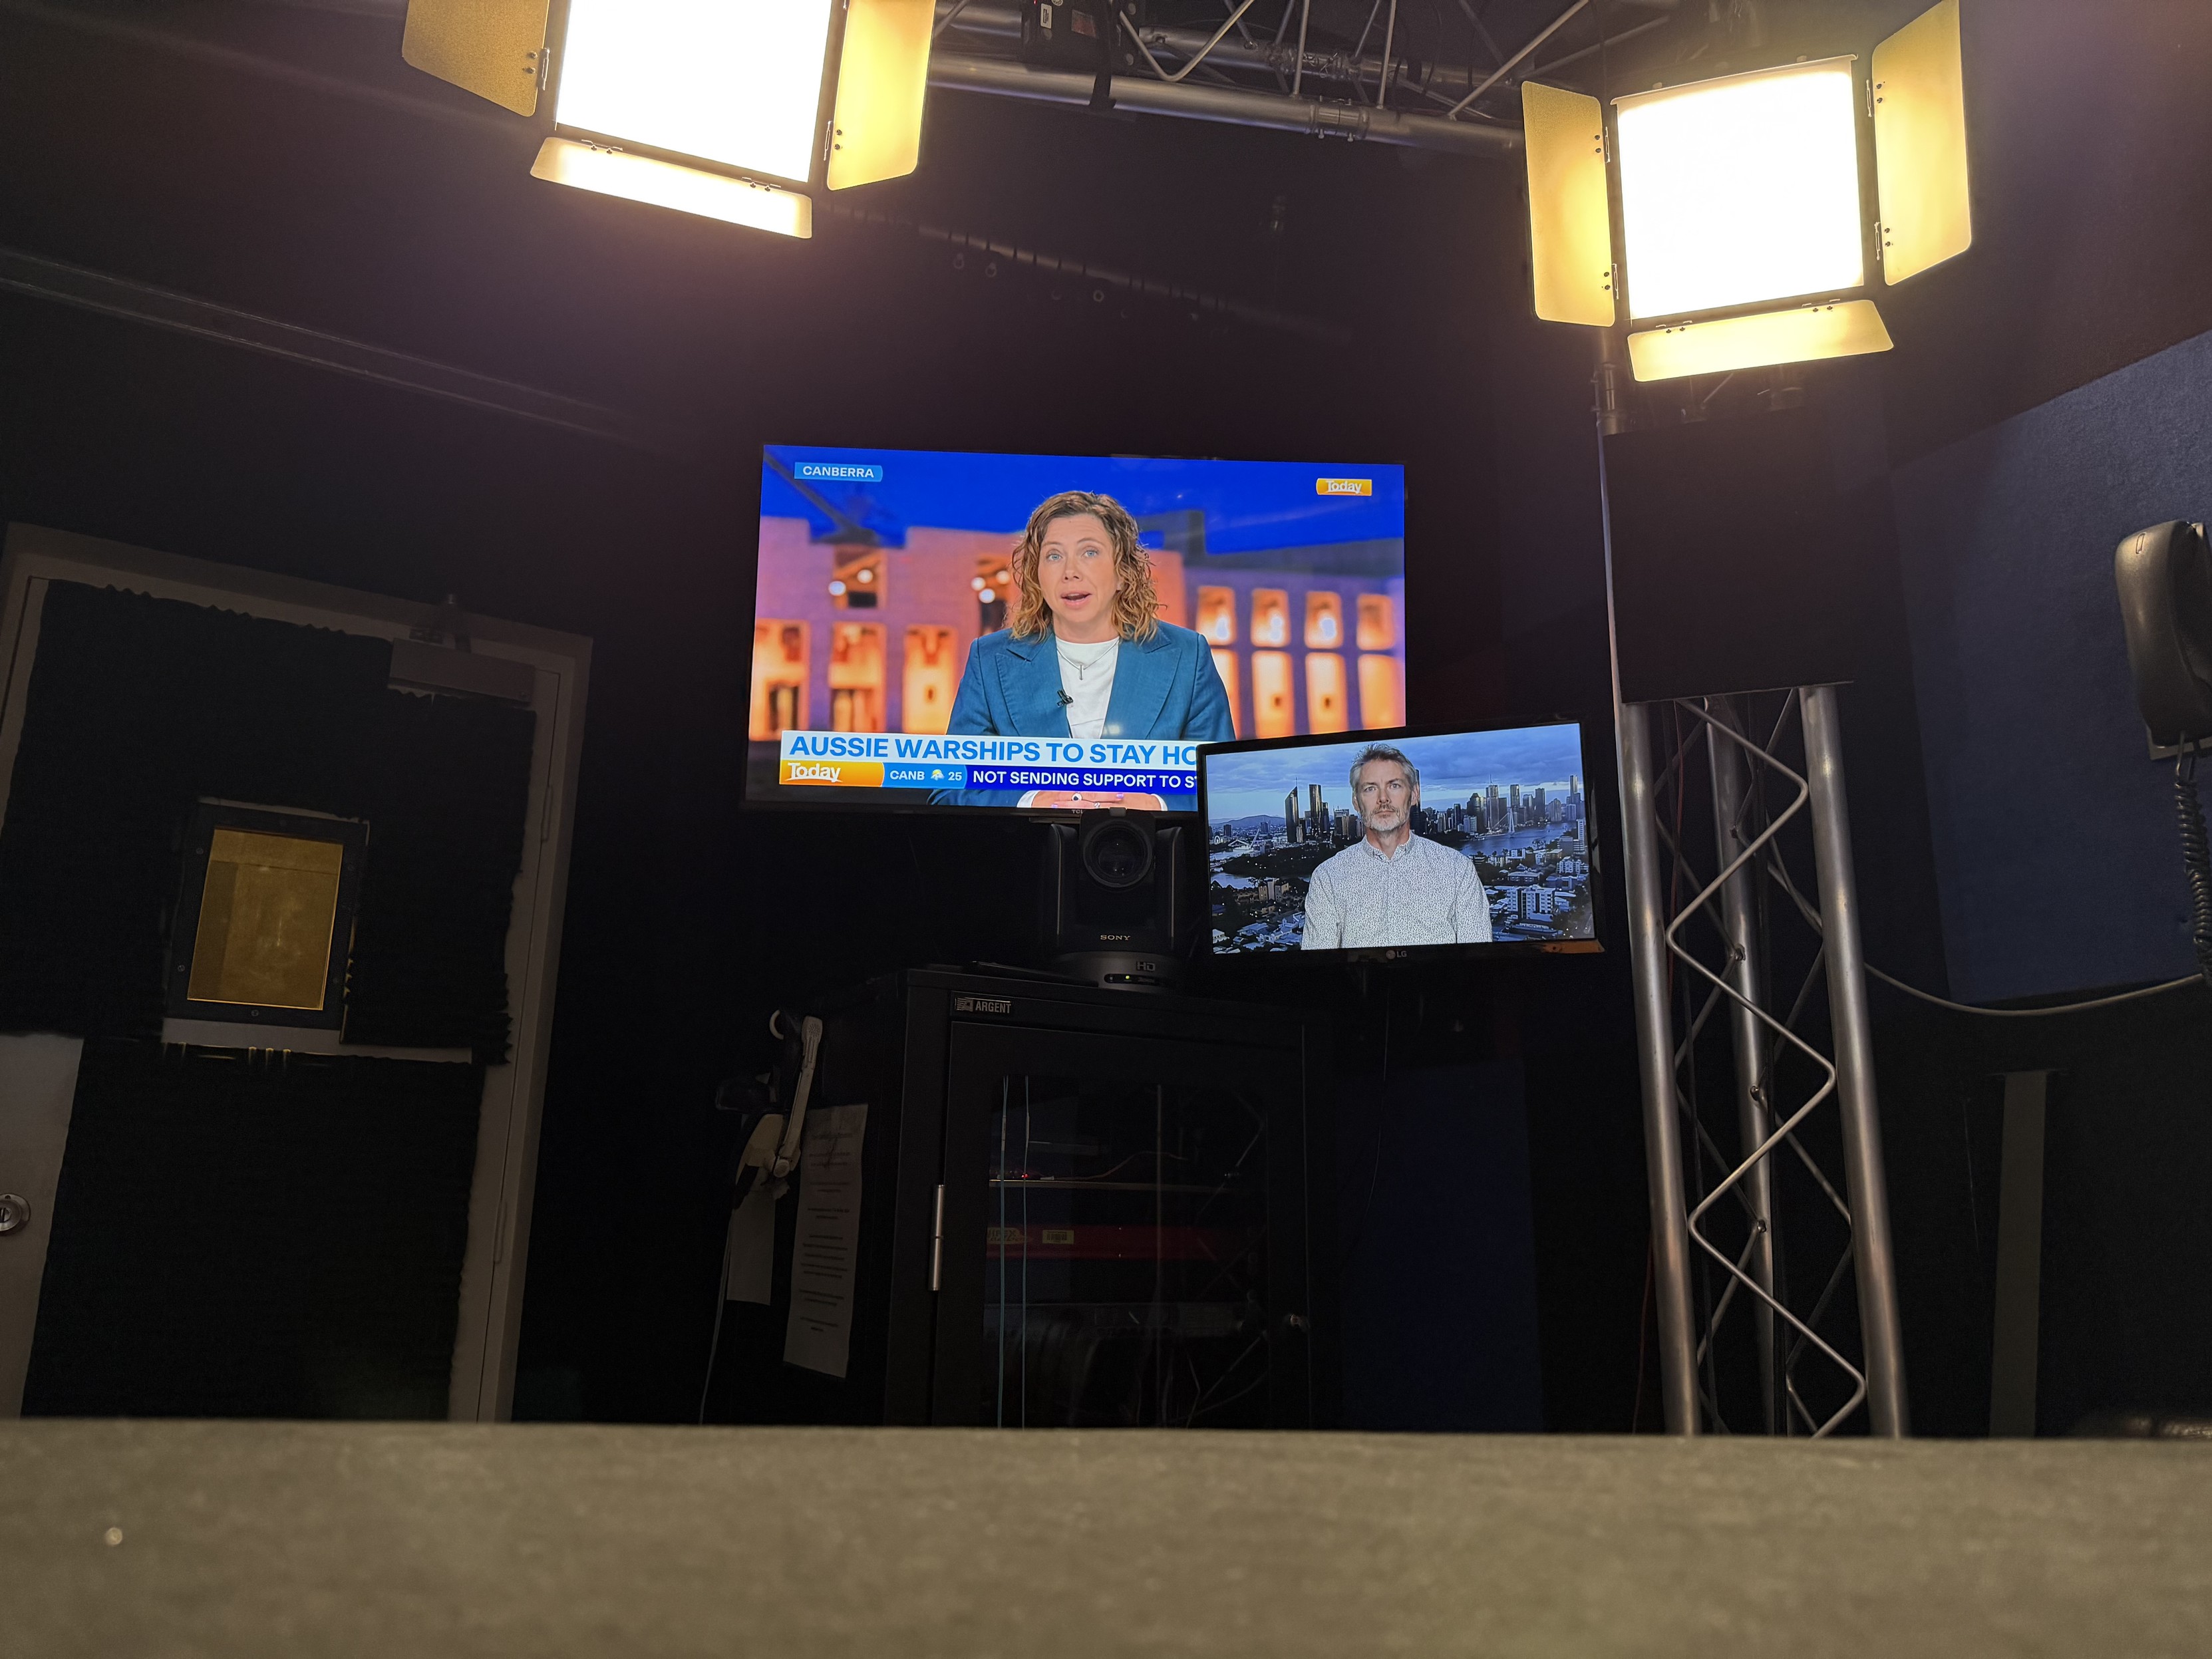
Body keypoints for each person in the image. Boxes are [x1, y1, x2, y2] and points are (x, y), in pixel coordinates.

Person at [935, 490, 1234, 808]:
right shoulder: (990, 659)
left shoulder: (1187, 656)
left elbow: (1223, 788)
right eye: (1054, 556)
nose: (1070, 571)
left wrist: (1155, 806)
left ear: (1122, 572)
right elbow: (950, 791)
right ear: (1037, 575)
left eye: (1089, 552)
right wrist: (1030, 803)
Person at [1301, 743, 1492, 948]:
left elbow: (1478, 959)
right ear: (1356, 802)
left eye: (1394, 786)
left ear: (1414, 795)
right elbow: (1320, 964)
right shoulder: (1328, 878)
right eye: (1370, 789)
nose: (1383, 799)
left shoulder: (1457, 870)